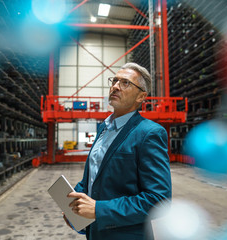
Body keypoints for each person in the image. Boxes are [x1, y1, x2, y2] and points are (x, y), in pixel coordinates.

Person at [65, 62, 172, 240]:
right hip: (96, 232)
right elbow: (94, 178)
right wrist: (74, 206)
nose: (115, 86)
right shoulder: (104, 129)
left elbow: (159, 200)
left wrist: (99, 210)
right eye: (114, 81)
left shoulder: (149, 133)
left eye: (125, 83)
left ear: (141, 97)